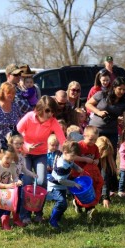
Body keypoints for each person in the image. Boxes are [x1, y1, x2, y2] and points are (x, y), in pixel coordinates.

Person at [17, 96, 67, 224]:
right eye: (48, 111)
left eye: (52, 111)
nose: (50, 114)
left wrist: (67, 152)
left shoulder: (52, 121)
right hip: (26, 153)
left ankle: (38, 212)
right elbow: (17, 132)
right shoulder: (29, 117)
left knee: (41, 181)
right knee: (27, 182)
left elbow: (62, 139)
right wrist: (26, 146)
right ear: (39, 109)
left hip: (40, 154)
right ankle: (25, 214)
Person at [86, 77, 125, 158]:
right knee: (96, 155)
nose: (122, 92)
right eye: (119, 89)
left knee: (111, 156)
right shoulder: (101, 94)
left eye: (124, 89)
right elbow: (88, 104)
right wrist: (98, 112)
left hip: (112, 132)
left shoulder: (124, 103)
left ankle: (111, 171)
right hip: (97, 130)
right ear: (114, 87)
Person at [47, 140, 83, 229]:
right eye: (73, 156)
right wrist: (73, 183)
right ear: (65, 152)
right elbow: (61, 180)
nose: (74, 158)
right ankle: (53, 220)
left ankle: (57, 217)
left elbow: (72, 164)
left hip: (61, 186)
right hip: (54, 186)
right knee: (61, 202)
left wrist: (78, 168)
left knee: (64, 205)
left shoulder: (68, 159)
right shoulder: (61, 165)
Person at [72, 126, 103, 219]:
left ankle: (90, 209)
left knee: (90, 190)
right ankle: (78, 203)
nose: (92, 142)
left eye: (95, 140)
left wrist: (97, 160)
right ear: (84, 136)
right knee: (82, 191)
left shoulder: (95, 147)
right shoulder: (79, 146)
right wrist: (84, 159)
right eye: (91, 139)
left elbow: (97, 157)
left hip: (89, 174)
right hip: (77, 173)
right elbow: (72, 157)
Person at [96, 136, 118, 209]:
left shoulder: (108, 161)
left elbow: (105, 178)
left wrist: (105, 197)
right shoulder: (91, 157)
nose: (102, 156)